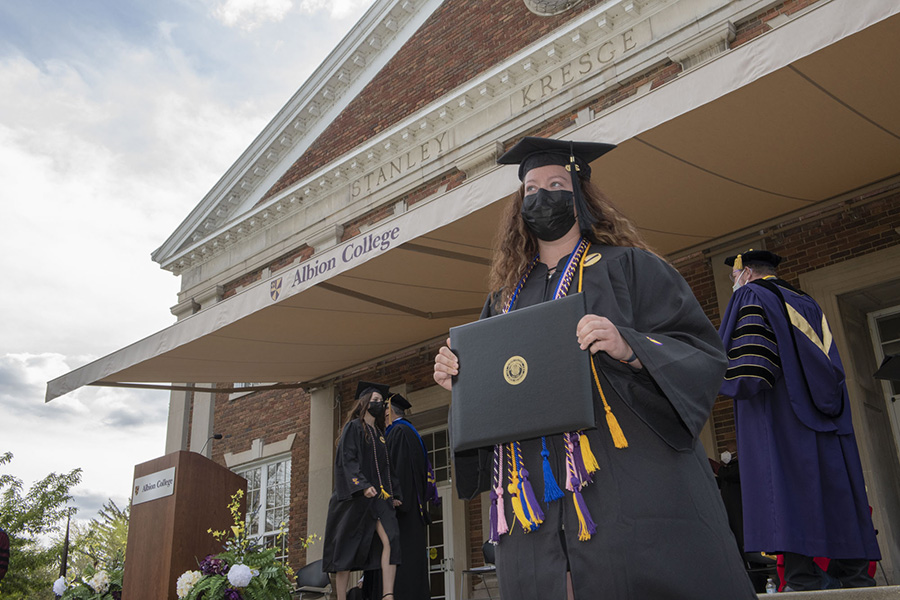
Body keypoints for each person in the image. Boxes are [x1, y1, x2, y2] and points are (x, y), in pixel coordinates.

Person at [433, 136, 755, 599]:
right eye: (531, 189)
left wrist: (631, 346)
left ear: (579, 194)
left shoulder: (630, 267)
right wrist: (460, 379)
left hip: (623, 476)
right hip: (535, 488)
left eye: (556, 184)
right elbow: (494, 397)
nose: (542, 196)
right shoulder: (503, 300)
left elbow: (699, 350)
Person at [717, 249, 881, 591]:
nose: (733, 282)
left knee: (787, 489)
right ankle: (854, 574)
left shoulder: (752, 294)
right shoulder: (807, 302)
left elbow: (750, 371)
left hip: (778, 414)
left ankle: (802, 577)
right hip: (823, 413)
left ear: (745, 272)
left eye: (733, 276)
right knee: (834, 490)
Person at [323, 381, 402, 600]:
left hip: (379, 498)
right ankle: (340, 597)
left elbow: (388, 469)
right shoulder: (354, 427)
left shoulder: (379, 434)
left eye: (381, 401)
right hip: (355, 498)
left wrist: (394, 495)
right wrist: (362, 484)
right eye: (375, 401)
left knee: (391, 538)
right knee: (347, 551)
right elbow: (347, 459)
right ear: (364, 403)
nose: (379, 404)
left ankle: (388, 595)